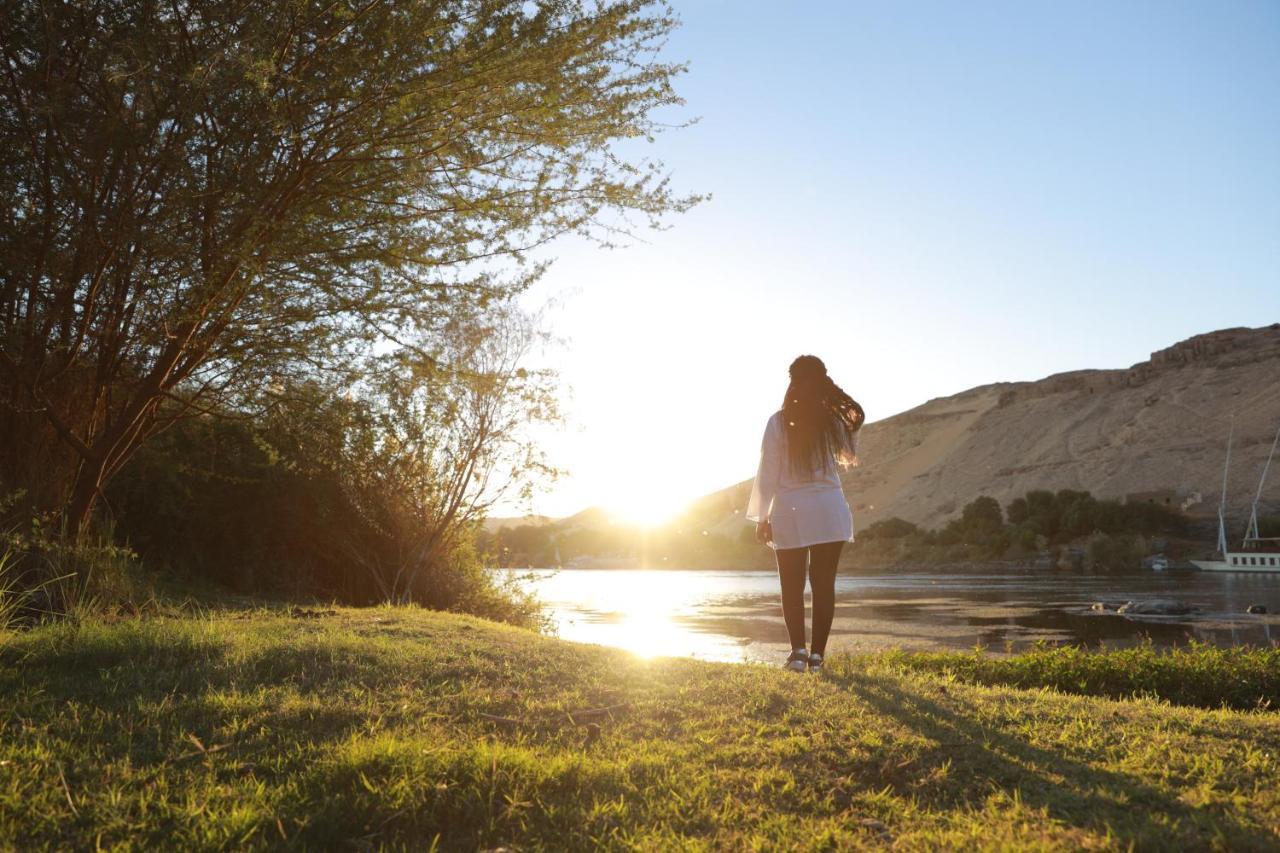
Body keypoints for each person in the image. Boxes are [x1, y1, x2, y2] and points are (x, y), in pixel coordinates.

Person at [746, 355, 864, 673]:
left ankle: (798, 654)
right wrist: (834, 395)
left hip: (790, 511)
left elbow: (767, 473)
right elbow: (851, 443)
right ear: (823, 380)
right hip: (829, 509)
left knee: (792, 585)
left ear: (793, 382)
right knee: (824, 585)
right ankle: (817, 658)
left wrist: (762, 517)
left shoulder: (778, 422)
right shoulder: (832, 421)